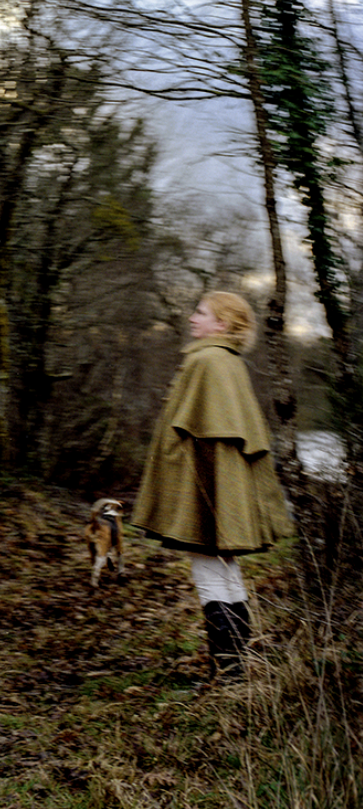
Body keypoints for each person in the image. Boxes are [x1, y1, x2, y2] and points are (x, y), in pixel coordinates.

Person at [131, 291, 294, 680]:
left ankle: (230, 672)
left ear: (221, 324)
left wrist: (190, 497)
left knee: (209, 570)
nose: (192, 318)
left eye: (200, 313)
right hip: (220, 485)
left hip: (206, 485)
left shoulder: (206, 361)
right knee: (226, 569)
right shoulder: (230, 362)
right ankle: (237, 668)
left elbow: (202, 439)